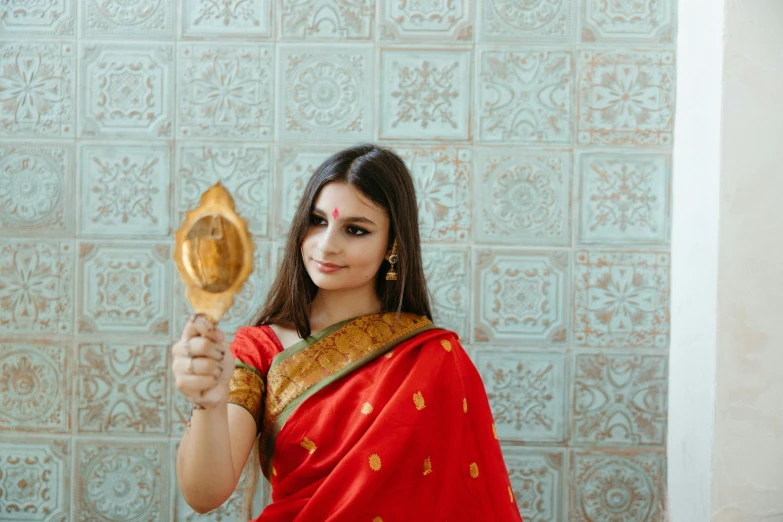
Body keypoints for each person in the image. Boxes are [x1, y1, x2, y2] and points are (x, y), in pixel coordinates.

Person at [171, 144, 523, 521]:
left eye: (355, 230)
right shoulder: (260, 349)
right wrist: (208, 404)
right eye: (318, 221)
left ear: (392, 246)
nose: (327, 244)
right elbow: (204, 495)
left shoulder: (434, 357)